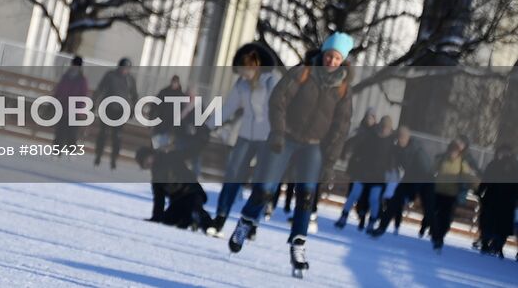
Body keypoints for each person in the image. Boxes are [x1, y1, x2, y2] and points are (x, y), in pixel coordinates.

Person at [227, 32, 355, 277]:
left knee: (306, 195)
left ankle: (298, 244)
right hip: (285, 138)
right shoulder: (303, 72)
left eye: (337, 58)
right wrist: (277, 132)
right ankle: (246, 222)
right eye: (329, 55)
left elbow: (341, 128)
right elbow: (278, 100)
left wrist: (329, 164)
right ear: (323, 53)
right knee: (265, 189)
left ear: (342, 61)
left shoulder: (343, 89)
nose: (331, 61)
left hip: (313, 146)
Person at [210, 43, 280, 231]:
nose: (242, 75)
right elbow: (228, 108)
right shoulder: (241, 84)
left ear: (254, 66)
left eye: (244, 71)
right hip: (245, 136)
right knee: (233, 173)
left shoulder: (271, 82)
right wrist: (207, 125)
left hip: (267, 137)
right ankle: (221, 216)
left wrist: (280, 134)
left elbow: (280, 109)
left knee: (261, 179)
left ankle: (252, 221)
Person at [370, 126, 432, 235]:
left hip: (423, 181)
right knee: (393, 202)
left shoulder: (417, 150)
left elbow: (425, 170)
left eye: (402, 138)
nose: (399, 141)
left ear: (407, 138)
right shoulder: (397, 149)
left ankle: (431, 229)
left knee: (428, 207)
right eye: (398, 138)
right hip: (408, 179)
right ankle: (381, 228)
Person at [137, 145, 210, 230]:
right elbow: (159, 198)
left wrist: (198, 143)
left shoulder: (171, 156)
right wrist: (156, 217)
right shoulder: (156, 178)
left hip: (192, 193)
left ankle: (207, 225)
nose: (148, 163)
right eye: (145, 163)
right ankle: (190, 220)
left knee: (194, 210)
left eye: (147, 159)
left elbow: (189, 153)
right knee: (168, 220)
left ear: (151, 154)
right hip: (178, 200)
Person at [429, 138, 480, 252]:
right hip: (438, 192)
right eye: (452, 150)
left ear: (459, 152)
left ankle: (440, 237)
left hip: (451, 195)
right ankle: (435, 234)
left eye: (455, 151)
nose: (453, 153)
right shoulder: (442, 159)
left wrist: (477, 186)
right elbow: (431, 171)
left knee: (446, 218)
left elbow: (468, 176)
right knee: (435, 215)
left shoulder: (462, 163)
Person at [334, 108, 381, 230]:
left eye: (371, 117)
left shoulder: (376, 133)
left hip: (371, 171)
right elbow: (350, 142)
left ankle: (362, 217)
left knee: (365, 197)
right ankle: (345, 216)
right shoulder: (360, 130)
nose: (369, 120)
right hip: (358, 168)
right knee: (353, 193)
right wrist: (344, 153)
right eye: (367, 117)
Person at [94, 57, 139, 170]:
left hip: (121, 111)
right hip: (107, 108)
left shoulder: (130, 80)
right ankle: (98, 156)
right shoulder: (110, 76)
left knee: (117, 137)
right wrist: (93, 103)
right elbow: (100, 89)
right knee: (103, 134)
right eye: (123, 67)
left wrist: (133, 110)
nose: (124, 70)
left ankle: (114, 160)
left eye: (127, 68)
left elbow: (134, 96)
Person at [476, 143, 518, 257]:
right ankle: (487, 243)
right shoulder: (494, 165)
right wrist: (480, 192)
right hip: (494, 199)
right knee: (490, 223)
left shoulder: (513, 167)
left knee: (500, 225)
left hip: (506, 201)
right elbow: (486, 179)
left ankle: (497, 245)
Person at [52, 56, 92, 147]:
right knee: (60, 130)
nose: (75, 67)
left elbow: (84, 94)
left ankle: (71, 150)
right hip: (63, 106)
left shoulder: (82, 79)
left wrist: (80, 107)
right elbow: (59, 89)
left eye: (77, 65)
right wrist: (55, 99)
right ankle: (57, 150)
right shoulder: (65, 76)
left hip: (75, 108)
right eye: (74, 64)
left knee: (72, 131)